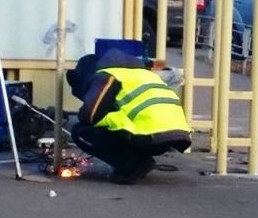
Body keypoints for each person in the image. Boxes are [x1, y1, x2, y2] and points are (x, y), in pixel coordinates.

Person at [66, 49, 192, 184]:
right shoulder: (142, 73)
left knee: (81, 131)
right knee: (121, 123)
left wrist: (87, 109)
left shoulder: (107, 75)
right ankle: (138, 159)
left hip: (151, 135)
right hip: (175, 133)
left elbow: (89, 116)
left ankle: (132, 166)